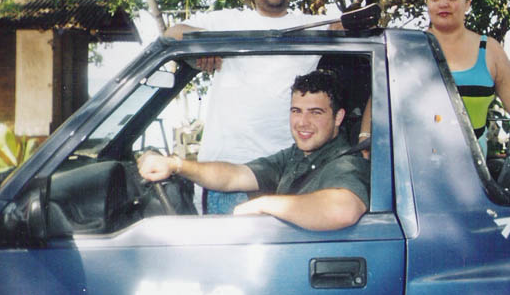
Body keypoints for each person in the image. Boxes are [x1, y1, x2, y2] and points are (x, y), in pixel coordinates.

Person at [164, 0, 327, 213]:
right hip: (224, 176)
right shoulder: (225, 21)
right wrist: (207, 45)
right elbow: (172, 34)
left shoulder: (311, 26)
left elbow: (352, 27)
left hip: (285, 175)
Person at [138, 70, 370, 231]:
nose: (303, 122)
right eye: (296, 111)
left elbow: (344, 209)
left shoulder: (345, 162)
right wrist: (175, 165)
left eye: (315, 113)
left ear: (338, 117)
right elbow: (234, 176)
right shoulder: (295, 155)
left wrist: (263, 204)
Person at [425, 0, 510, 153]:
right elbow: (381, 98)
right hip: (415, 165)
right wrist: (365, 136)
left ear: (468, 3)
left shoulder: (490, 50)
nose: (443, 3)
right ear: (427, 3)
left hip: (472, 170)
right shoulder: (409, 45)